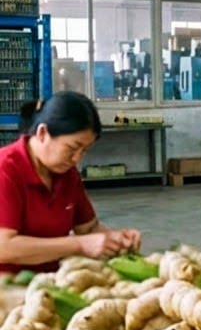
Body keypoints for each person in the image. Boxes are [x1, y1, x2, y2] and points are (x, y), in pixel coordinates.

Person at [0, 92, 142, 273]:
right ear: (43, 133)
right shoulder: (6, 169)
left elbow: (88, 229)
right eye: (72, 148)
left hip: (50, 280)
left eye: (84, 151)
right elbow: (3, 247)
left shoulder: (67, 174)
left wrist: (115, 239)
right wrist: (78, 244)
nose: (76, 158)